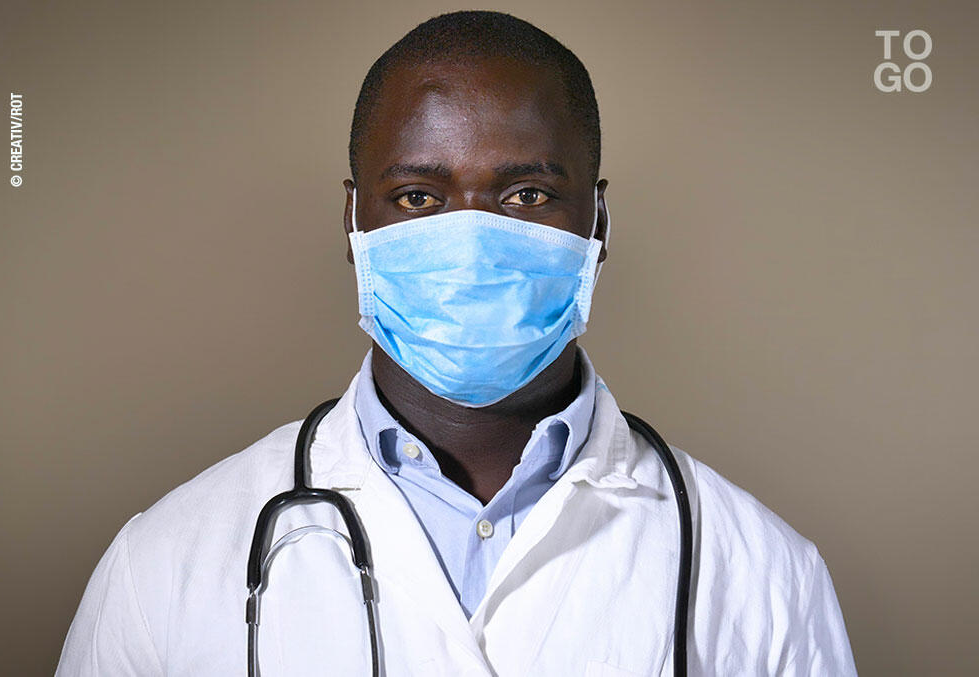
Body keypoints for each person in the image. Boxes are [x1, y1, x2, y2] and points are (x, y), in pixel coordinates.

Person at [56, 11, 857, 676]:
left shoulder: (764, 575)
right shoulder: (162, 566)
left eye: (527, 194)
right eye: (417, 197)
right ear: (353, 224)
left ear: (598, 224)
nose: (471, 242)